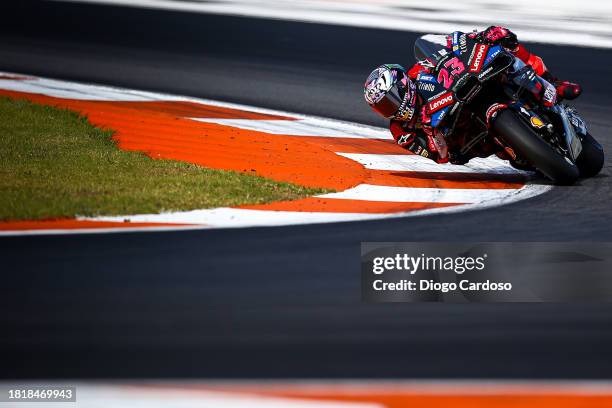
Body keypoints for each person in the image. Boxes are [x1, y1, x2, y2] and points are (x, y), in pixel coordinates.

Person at [363, 26, 581, 164]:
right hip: (467, 136)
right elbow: (439, 156)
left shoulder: (419, 71)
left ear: (403, 85)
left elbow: (449, 46)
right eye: (383, 107)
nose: (391, 109)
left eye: (390, 100)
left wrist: (479, 38)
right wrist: (432, 134)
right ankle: (523, 147)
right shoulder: (401, 130)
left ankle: (553, 82)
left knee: (505, 43)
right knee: (518, 161)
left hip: (475, 84)